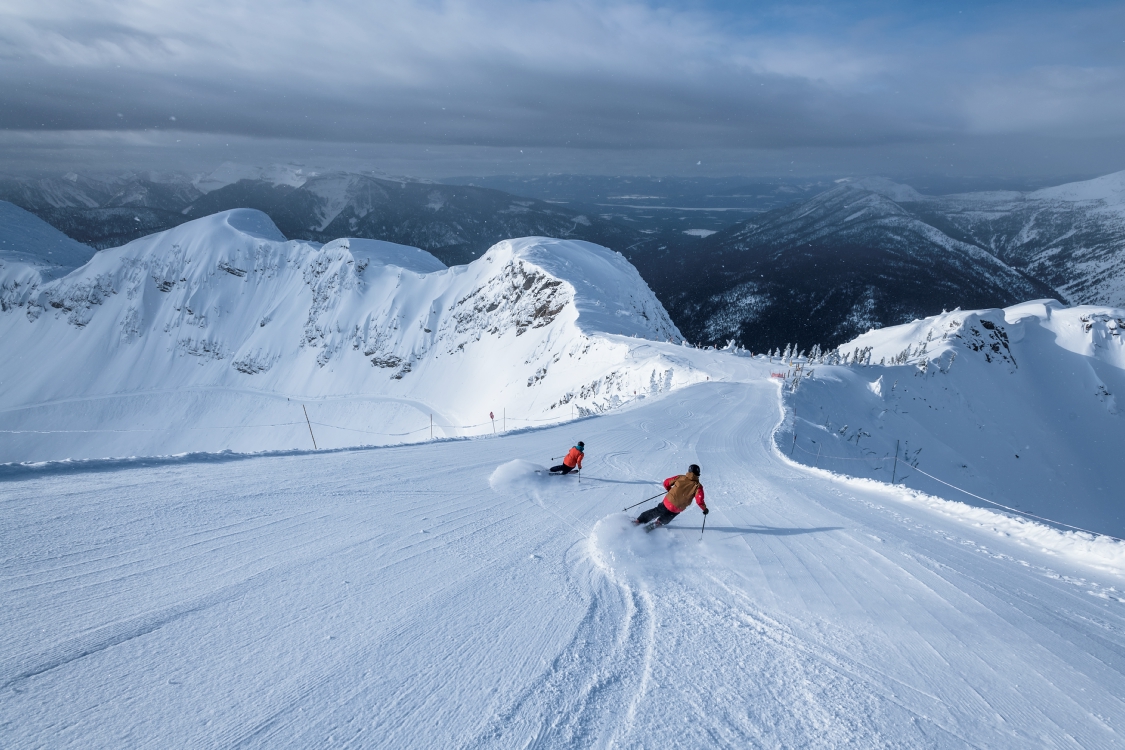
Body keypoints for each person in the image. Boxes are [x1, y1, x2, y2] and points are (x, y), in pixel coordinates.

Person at [635, 464, 708, 528]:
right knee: (671, 514)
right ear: (698, 473)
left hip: (668, 502)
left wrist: (669, 490)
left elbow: (666, 482)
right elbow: (699, 500)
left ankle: (639, 520)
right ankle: (659, 522)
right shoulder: (698, 486)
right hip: (679, 507)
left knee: (657, 511)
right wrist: (704, 509)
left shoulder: (680, 477)